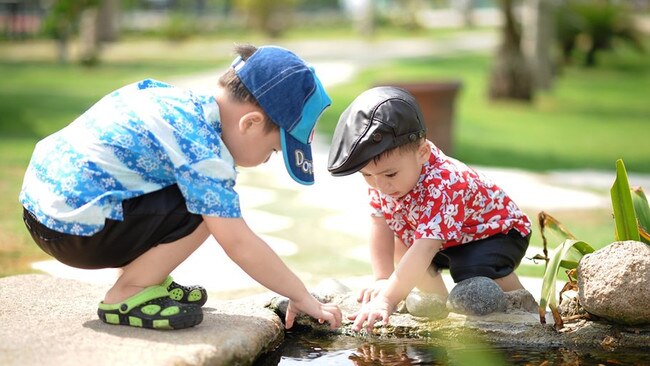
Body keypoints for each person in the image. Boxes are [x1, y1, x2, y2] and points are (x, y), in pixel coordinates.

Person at [20, 44, 342, 331]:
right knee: (210, 211)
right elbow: (238, 242)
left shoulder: (177, 103)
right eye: (272, 151)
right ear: (251, 123)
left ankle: (147, 278)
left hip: (43, 210)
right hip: (73, 231)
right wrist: (300, 295)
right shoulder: (203, 149)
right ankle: (129, 292)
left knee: (193, 194)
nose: (266, 161)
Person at [327, 86, 531, 332]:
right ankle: (438, 308)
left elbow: (425, 248)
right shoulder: (384, 179)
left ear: (422, 152)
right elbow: (379, 223)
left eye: (390, 174)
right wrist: (383, 278)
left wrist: (386, 299)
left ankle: (522, 306)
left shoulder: (445, 182)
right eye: (367, 175)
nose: (380, 185)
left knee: (471, 269)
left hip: (496, 233)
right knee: (403, 244)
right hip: (446, 238)